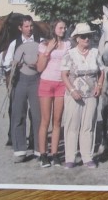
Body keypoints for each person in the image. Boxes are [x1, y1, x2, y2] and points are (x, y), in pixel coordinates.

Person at [61, 23, 105, 169]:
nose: (87, 39)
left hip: (92, 94)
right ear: (76, 39)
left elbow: (102, 72)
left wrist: (99, 86)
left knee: (88, 126)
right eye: (83, 36)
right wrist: (72, 90)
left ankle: (87, 157)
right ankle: (70, 158)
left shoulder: (95, 52)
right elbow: (64, 75)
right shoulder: (69, 54)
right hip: (74, 95)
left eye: (89, 36)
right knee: (72, 126)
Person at [3, 15, 42, 163]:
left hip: (36, 81)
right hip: (19, 81)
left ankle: (39, 149)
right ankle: (20, 150)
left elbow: (45, 60)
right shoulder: (14, 44)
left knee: (38, 116)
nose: (29, 29)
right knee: (18, 115)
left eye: (31, 26)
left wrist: (38, 64)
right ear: (20, 28)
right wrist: (14, 64)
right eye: (26, 26)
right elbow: (6, 64)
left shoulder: (40, 42)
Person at [36, 19, 71, 168]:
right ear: (54, 28)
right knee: (45, 120)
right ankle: (43, 155)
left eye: (64, 28)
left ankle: (55, 154)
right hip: (46, 82)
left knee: (57, 121)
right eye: (61, 27)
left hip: (61, 83)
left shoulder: (68, 44)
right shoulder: (43, 44)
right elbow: (39, 68)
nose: (63, 30)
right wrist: (48, 50)